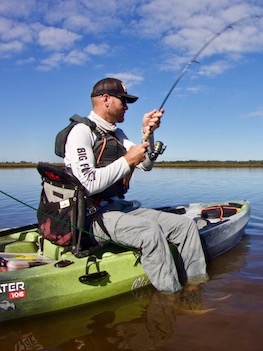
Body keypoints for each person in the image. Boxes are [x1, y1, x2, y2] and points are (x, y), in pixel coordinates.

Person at [62, 77, 208, 293]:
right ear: (106, 99)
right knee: (150, 232)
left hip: (118, 207)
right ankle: (172, 298)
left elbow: (146, 164)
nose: (127, 107)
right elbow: (87, 184)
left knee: (185, 226)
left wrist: (148, 132)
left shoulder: (117, 134)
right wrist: (127, 161)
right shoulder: (81, 132)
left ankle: (196, 289)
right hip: (93, 217)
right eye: (123, 100)